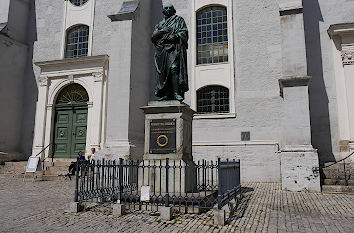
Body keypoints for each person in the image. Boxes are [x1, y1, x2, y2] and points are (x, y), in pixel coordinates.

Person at [152, 3, 189, 101]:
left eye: (170, 8)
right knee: (163, 74)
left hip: (174, 48)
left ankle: (176, 93)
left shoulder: (179, 20)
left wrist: (175, 36)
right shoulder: (160, 24)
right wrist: (162, 31)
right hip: (162, 51)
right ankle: (166, 94)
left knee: (174, 68)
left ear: (173, 10)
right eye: (166, 8)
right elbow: (153, 37)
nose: (168, 9)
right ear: (163, 11)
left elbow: (184, 32)